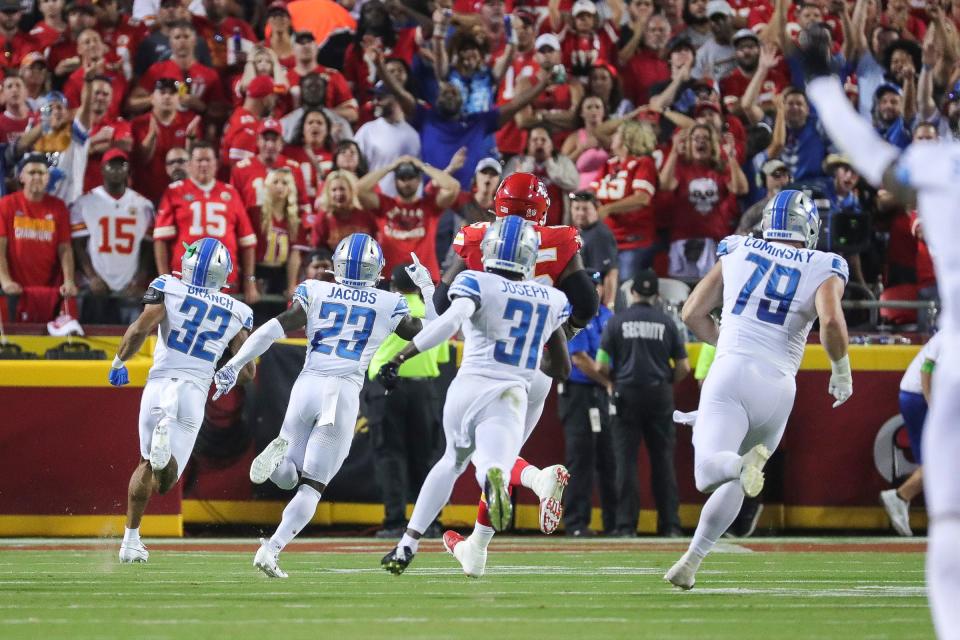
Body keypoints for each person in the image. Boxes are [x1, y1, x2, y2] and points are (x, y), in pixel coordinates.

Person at [210, 234, 431, 578]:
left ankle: (280, 459)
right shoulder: (388, 302)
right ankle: (271, 549)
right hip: (342, 391)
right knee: (312, 485)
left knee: (288, 476)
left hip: (308, 383)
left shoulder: (316, 289)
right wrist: (426, 292)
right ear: (377, 268)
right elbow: (426, 333)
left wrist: (236, 362)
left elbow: (273, 328)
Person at [664, 189, 851, 588]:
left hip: (732, 371)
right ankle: (692, 562)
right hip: (780, 387)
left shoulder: (737, 249)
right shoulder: (824, 263)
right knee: (737, 482)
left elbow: (691, 312)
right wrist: (841, 371)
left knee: (711, 473)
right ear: (810, 228)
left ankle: (738, 464)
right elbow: (831, 323)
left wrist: (730, 341)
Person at [380, 216, 572, 577]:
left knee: (451, 460)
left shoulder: (475, 280)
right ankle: (494, 477)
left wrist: (401, 357)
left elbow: (450, 323)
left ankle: (408, 542)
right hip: (511, 391)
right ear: (530, 257)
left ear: (490, 250)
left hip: (468, 385)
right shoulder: (552, 298)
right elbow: (560, 368)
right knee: (490, 462)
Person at [112, 237, 255, 563]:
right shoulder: (237, 310)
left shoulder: (166, 286)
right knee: (167, 481)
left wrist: (118, 363)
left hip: (159, 383)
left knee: (145, 463)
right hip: (193, 391)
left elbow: (138, 330)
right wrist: (229, 374)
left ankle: (130, 540)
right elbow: (247, 370)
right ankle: (163, 459)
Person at [598, 269, 690, 536]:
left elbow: (602, 365)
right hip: (659, 394)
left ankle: (626, 526)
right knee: (663, 461)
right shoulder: (667, 323)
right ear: (657, 295)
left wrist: (615, 379)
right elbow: (683, 366)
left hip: (626, 395)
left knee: (625, 463)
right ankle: (670, 525)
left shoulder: (616, 322)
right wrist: (666, 380)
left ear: (632, 292)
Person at [366, 264, 447, 538]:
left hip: (386, 387)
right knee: (426, 457)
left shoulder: (385, 305)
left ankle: (394, 522)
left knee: (391, 455)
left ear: (394, 285)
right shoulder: (434, 313)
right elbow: (443, 356)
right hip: (424, 390)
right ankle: (430, 523)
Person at [153, 141, 259, 304]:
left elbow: (247, 241)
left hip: (224, 280)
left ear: (216, 164)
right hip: (184, 280)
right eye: (199, 160)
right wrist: (164, 280)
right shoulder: (175, 191)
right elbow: (160, 239)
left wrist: (249, 280)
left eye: (208, 160)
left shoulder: (230, 192)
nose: (203, 164)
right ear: (189, 164)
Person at [559, 270, 617, 536]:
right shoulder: (576, 314)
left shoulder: (608, 316)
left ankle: (614, 522)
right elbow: (580, 358)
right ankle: (576, 523)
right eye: (589, 287)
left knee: (609, 459)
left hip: (604, 393)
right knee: (580, 460)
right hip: (580, 393)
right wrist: (607, 381)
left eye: (597, 286)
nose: (594, 292)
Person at [69, 149, 155, 324]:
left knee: (131, 342)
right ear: (102, 169)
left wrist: (139, 279)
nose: (116, 170)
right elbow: (77, 245)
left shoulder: (143, 205)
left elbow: (147, 247)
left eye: (121, 165)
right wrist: (92, 277)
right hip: (95, 285)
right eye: (111, 165)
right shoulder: (85, 202)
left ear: (128, 169)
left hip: (129, 283)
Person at [355, 156, 461, 281]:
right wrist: (390, 167)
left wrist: (422, 166)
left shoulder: (430, 206)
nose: (406, 182)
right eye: (402, 178)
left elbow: (453, 187)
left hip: (425, 279)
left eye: (411, 177)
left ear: (419, 180)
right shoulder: (384, 205)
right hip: (389, 277)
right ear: (395, 181)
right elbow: (358, 189)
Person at [0, 154, 78, 322]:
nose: (37, 177)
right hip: (13, 290)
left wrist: (69, 280)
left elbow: (65, 248)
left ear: (48, 177)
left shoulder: (59, 207)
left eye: (42, 173)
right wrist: (5, 281)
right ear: (21, 176)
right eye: (32, 172)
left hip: (50, 289)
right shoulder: (6, 205)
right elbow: (0, 248)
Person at [882, 331, 941, 537]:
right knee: (941, 460)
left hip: (918, 396)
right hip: (919, 397)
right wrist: (932, 404)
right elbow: (927, 368)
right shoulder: (951, 334)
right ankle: (901, 495)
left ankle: (902, 497)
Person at [354, 82, 421, 198]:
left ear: (396, 98)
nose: (375, 102)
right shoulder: (367, 131)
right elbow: (354, 167)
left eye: (380, 98)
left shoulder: (413, 135)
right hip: (375, 202)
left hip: (404, 204)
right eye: (374, 98)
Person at [569, 190, 618, 308]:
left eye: (585, 209)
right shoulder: (581, 231)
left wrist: (607, 307)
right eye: (576, 208)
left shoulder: (600, 235)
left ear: (596, 210)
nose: (580, 213)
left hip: (593, 302)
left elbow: (609, 273)